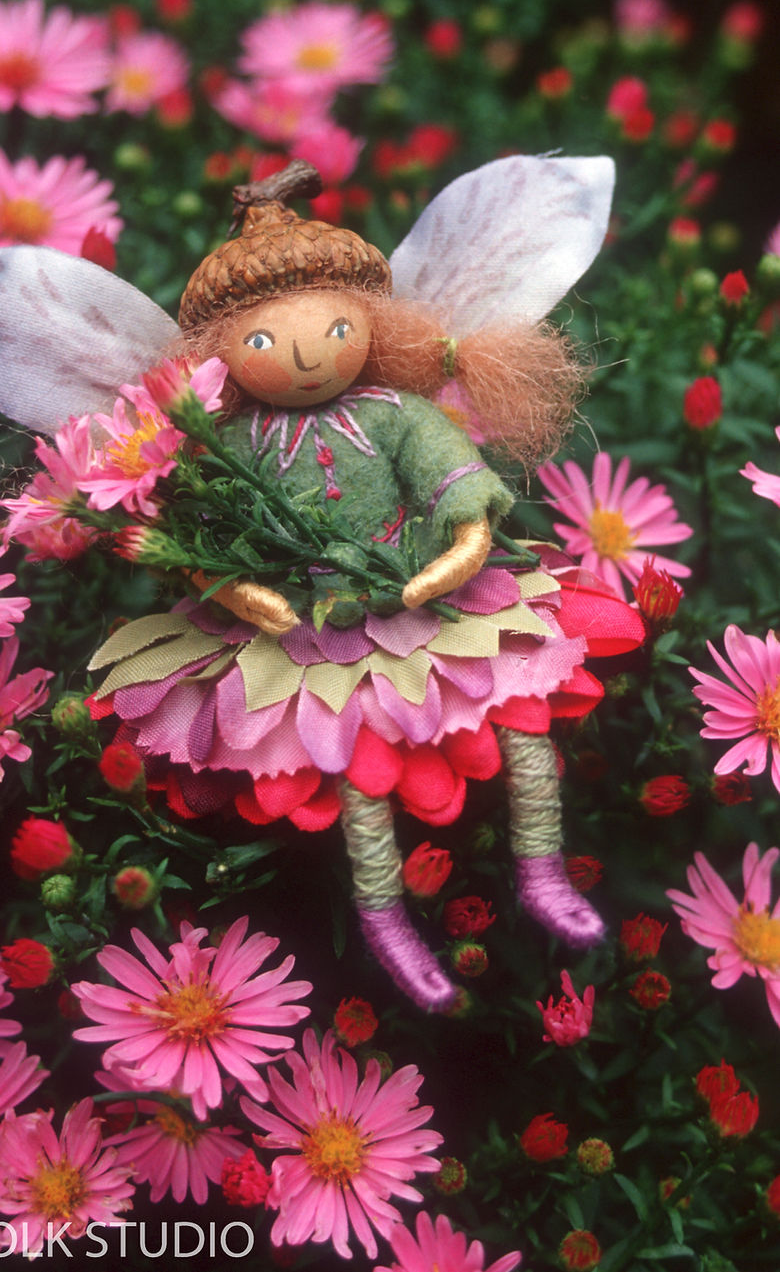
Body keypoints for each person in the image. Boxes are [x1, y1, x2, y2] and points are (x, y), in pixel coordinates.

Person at [88, 162, 644, 1010]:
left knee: (526, 727)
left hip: (433, 596)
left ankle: (543, 868)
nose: (308, 353)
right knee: (351, 769)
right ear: (222, 362)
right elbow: (201, 541)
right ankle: (384, 918)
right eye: (267, 342)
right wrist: (242, 595)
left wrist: (464, 547)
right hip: (307, 625)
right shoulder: (228, 445)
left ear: (375, 326)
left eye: (335, 326)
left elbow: (456, 489)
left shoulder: (394, 413)